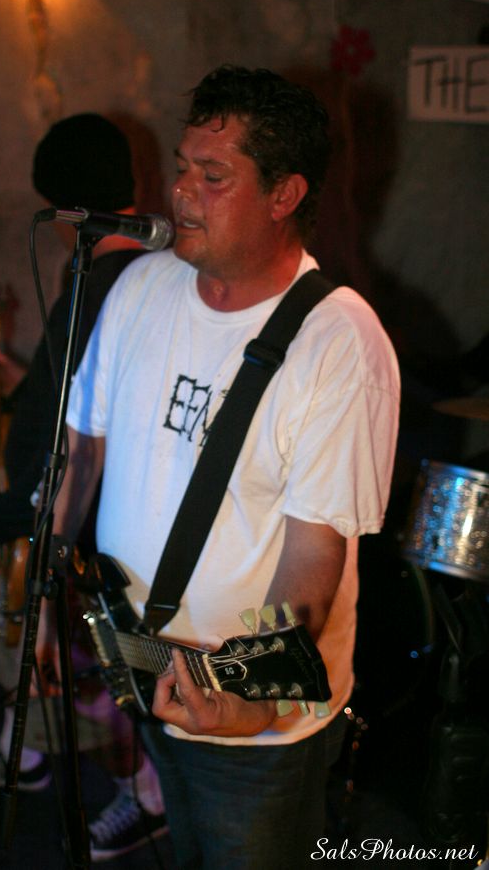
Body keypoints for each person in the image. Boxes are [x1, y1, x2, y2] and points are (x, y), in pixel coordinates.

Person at [48, 65, 401, 870]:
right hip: (143, 668)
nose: (181, 192)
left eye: (213, 176)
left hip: (252, 721)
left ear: (284, 195)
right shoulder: (140, 287)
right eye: (181, 167)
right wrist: (44, 589)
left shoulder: (339, 343)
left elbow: (314, 555)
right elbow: (82, 448)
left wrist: (251, 700)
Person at [0, 113, 167, 861]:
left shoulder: (100, 283)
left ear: (63, 208)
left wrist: (0, 520)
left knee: (48, 656)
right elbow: (68, 392)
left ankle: (147, 796)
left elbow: (63, 433)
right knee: (28, 647)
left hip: (83, 517)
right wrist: (20, 375)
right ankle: (26, 754)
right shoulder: (143, 269)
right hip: (99, 505)